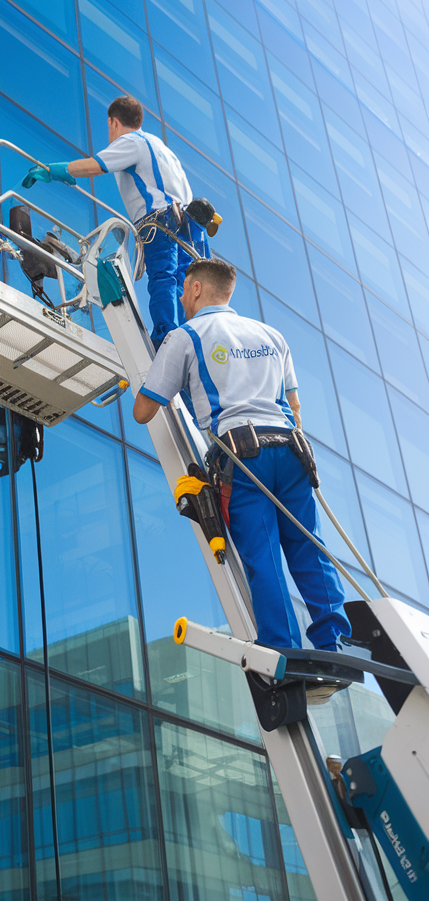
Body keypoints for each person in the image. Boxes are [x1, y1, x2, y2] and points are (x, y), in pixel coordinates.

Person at [131, 257, 350, 653]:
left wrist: (168, 377)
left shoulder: (186, 336)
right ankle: (332, 642)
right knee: (308, 547)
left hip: (243, 458)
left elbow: (144, 411)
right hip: (292, 451)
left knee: (262, 558)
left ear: (196, 288)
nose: (180, 298)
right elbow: (295, 407)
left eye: (183, 290)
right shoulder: (271, 335)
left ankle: (283, 650)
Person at [22, 94, 213, 349]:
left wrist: (55, 171)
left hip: (161, 224)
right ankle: (190, 344)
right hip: (188, 229)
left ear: (113, 122)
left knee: (164, 279)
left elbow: (96, 166)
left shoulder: (131, 141)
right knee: (185, 288)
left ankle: (168, 339)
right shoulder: (162, 149)